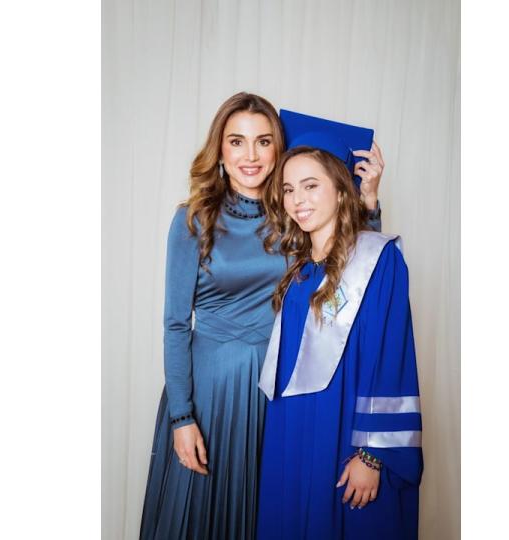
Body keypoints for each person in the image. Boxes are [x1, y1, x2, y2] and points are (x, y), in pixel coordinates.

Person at [139, 93, 386, 540]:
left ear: (279, 150)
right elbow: (175, 324)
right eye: (237, 142)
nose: (250, 156)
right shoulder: (193, 220)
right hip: (209, 394)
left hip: (276, 392)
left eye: (263, 142)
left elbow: (348, 274)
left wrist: (368, 203)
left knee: (265, 518)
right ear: (220, 149)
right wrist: (181, 417)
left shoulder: (293, 217)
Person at [256, 141, 422, 539]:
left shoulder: (380, 261)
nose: (298, 200)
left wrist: (373, 454)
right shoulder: (299, 272)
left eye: (311, 186)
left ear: (341, 189)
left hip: (345, 432)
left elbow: (390, 355)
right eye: (289, 189)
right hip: (292, 432)